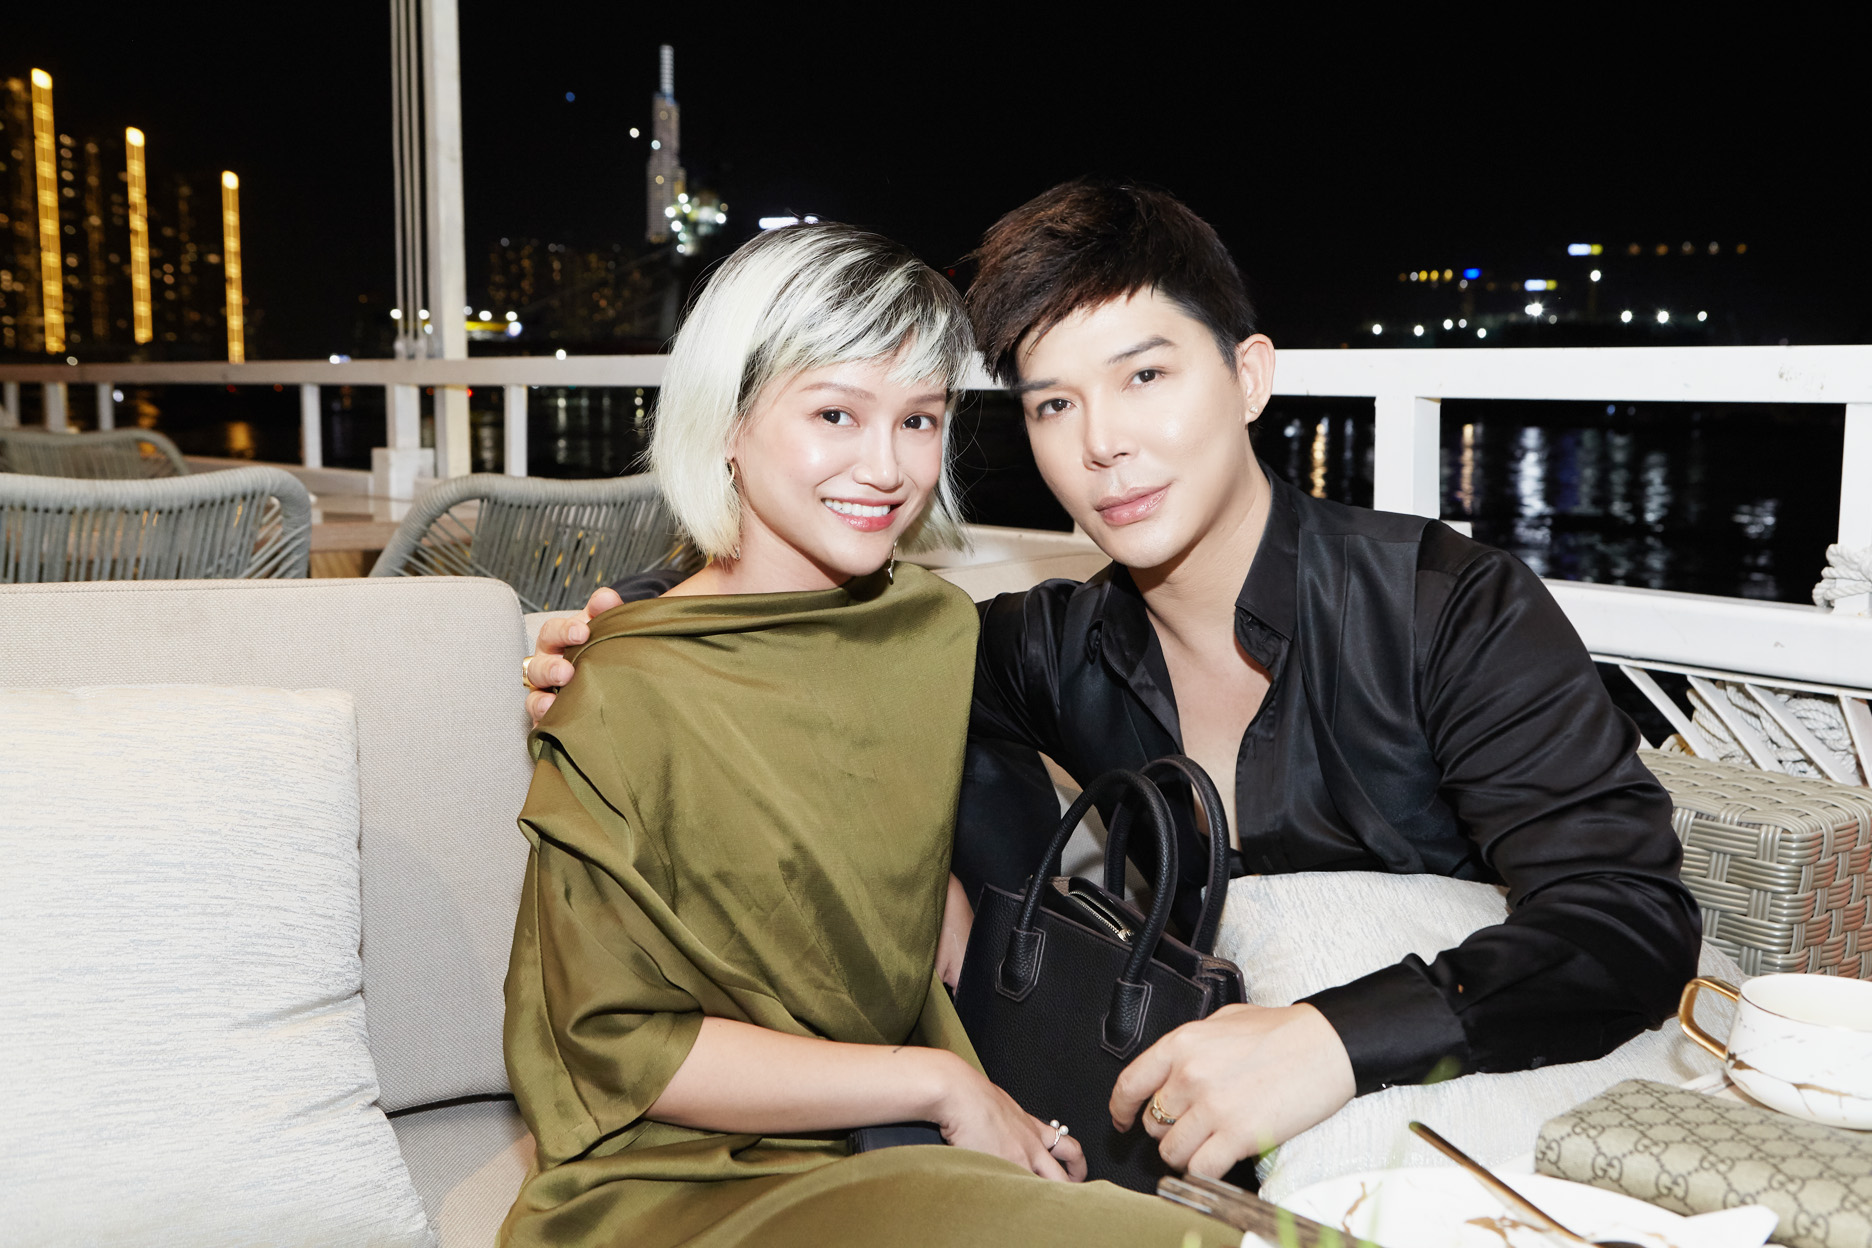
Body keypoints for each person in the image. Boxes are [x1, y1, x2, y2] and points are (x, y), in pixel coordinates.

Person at [526, 183, 1702, 1183]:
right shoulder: (1045, 649)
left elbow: (1627, 916)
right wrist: (639, 625)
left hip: (1454, 1110)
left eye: (1144, 376)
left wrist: (1327, 1040)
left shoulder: (1445, 608)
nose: (1102, 442)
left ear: (1249, 377)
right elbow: (817, 641)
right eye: (1054, 403)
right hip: (1158, 1123)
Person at [502, 222, 1234, 1248]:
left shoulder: (931, 631)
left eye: (919, 419)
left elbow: (855, 856)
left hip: (891, 1143)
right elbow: (614, 1047)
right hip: (682, 1183)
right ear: (727, 422)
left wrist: (952, 955)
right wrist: (938, 1084)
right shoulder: (621, 682)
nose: (887, 468)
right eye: (835, 413)